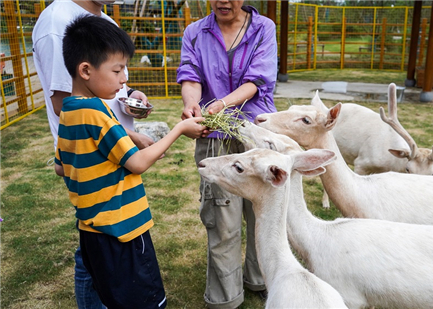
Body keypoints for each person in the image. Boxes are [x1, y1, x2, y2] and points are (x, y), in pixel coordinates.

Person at [54, 15, 206, 308]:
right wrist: (179, 130)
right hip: (122, 233)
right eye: (118, 69)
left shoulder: (69, 112)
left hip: (91, 232)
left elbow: (61, 165)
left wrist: (127, 142)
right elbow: (136, 163)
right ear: (86, 70)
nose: (124, 78)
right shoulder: (98, 113)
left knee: (112, 299)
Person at [32, 1, 155, 308]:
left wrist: (130, 98)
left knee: (99, 245)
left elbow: (107, 85)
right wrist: (127, 138)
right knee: (99, 250)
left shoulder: (104, 19)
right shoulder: (56, 23)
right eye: (119, 70)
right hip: (101, 156)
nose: (123, 76)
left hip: (113, 152)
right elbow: (65, 104)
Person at [176, 1, 278, 308]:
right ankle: (225, 298)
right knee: (221, 219)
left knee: (263, 214)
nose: (223, 1)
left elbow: (257, 81)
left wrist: (219, 105)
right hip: (215, 137)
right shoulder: (195, 32)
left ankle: (261, 279)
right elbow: (190, 73)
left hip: (256, 136)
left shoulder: (264, 29)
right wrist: (193, 104)